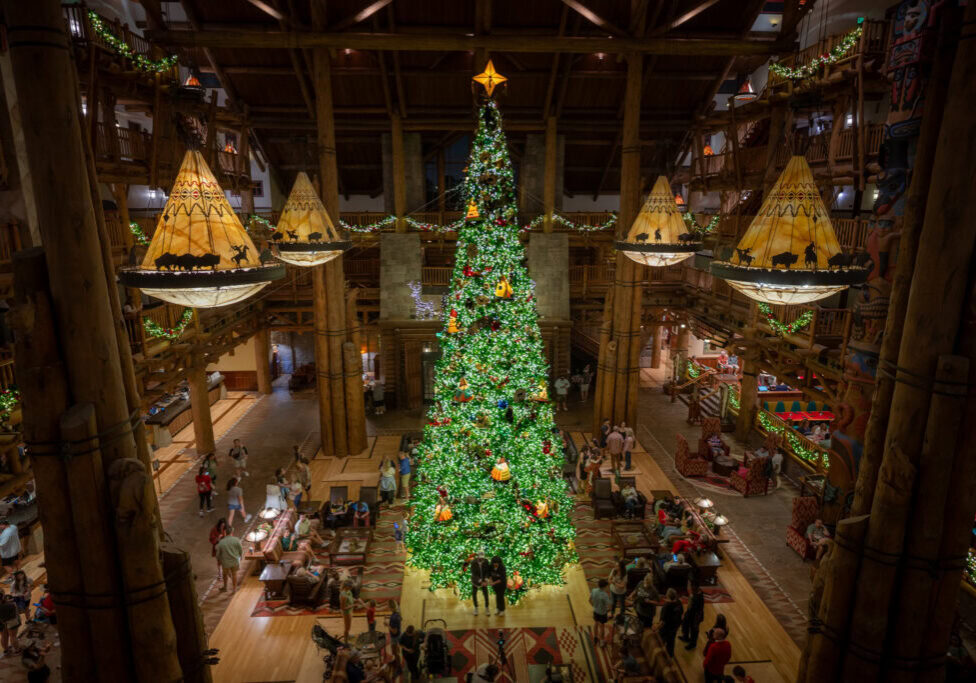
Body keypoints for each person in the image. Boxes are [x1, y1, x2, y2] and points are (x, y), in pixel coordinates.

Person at [215, 526, 243, 593]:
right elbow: (240, 550)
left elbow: (218, 554)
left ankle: (225, 587)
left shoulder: (221, 542)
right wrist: (240, 556)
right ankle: (234, 589)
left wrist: (219, 560)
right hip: (235, 561)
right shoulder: (236, 540)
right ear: (232, 532)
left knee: (225, 574)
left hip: (225, 563)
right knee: (234, 574)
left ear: (225, 533)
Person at [679, 581, 705, 650]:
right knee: (685, 624)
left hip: (695, 616)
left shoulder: (698, 597)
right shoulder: (695, 594)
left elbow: (695, 608)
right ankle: (686, 637)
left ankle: (693, 644)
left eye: (691, 586)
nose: (689, 588)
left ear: (695, 587)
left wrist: (692, 598)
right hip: (690, 613)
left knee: (694, 630)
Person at [658, 588, 684, 657]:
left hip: (665, 628)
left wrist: (656, 628)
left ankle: (659, 655)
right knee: (671, 643)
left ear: (667, 596)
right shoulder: (679, 602)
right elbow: (682, 615)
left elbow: (662, 621)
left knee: (660, 641)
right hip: (674, 628)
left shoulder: (666, 606)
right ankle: (670, 656)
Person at [590, 578, 612, 647]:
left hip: (595, 611)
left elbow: (589, 600)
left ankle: (595, 638)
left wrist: (594, 606)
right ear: (604, 586)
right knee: (602, 626)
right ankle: (602, 641)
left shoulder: (593, 590)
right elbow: (609, 606)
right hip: (602, 613)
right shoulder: (604, 595)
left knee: (596, 624)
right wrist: (608, 611)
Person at [470, 550, 491, 616]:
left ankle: (487, 608)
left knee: (486, 594)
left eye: (482, 558)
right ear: (477, 557)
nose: (481, 559)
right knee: (474, 594)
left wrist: (486, 579)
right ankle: (476, 608)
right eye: (480, 558)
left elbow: (488, 571)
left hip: (484, 581)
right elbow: (474, 574)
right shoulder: (473, 562)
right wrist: (480, 581)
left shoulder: (486, 561)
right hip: (476, 581)